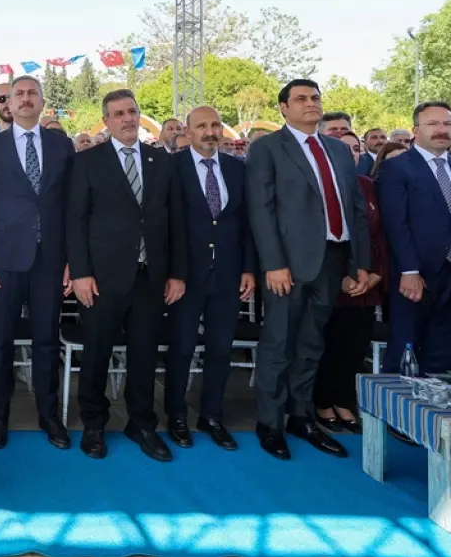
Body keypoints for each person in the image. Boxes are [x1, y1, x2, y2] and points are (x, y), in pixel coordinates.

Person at [247, 79, 370, 461]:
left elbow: (354, 209)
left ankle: (301, 416)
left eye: (315, 98)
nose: (311, 104)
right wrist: (274, 264)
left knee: (312, 343)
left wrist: (358, 262)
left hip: (332, 260)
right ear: (283, 108)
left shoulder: (336, 148)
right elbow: (261, 210)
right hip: (288, 264)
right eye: (301, 99)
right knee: (280, 343)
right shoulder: (268, 148)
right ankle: (270, 423)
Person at [68, 89, 185, 462]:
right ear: (106, 121)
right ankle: (94, 424)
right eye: (118, 113)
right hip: (102, 279)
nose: (127, 118)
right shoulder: (88, 161)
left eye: (132, 111)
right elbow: (76, 222)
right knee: (97, 352)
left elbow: (175, 221)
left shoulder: (160, 161)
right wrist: (82, 273)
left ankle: (142, 424)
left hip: (150, 277)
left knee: (144, 354)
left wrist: (177, 273)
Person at [0, 75, 74, 451]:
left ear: (43, 102)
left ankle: (50, 416)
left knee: (47, 341)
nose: (26, 99)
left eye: (33, 93)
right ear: (8, 104)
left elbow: (72, 208)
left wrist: (72, 262)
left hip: (50, 260)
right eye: (19, 94)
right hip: (4, 263)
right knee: (1, 342)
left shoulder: (63, 147)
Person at [165, 106, 253, 452]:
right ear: (187, 131)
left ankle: (212, 416)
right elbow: (166, 226)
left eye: (215, 124)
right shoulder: (172, 168)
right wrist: (174, 273)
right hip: (186, 277)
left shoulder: (236, 168)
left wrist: (248, 268)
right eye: (201, 125)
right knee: (182, 347)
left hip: (229, 275)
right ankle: (175, 415)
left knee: (220, 349)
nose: (210, 131)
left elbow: (245, 222)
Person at [378, 102, 451, 374]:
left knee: (443, 350)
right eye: (433, 124)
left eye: (447, 124)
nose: (441, 130)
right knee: (405, 349)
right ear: (416, 130)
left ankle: (433, 412)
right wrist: (409, 270)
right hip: (415, 276)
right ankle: (397, 414)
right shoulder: (398, 168)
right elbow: (396, 224)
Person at [313, 133, 391, 433]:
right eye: (343, 148)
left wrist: (375, 273)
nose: (350, 153)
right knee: (327, 345)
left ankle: (345, 401)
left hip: (365, 284)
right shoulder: (319, 186)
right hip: (331, 283)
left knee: (354, 347)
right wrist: (341, 275)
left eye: (355, 149)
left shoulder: (369, 187)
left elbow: (382, 235)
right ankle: (322, 401)